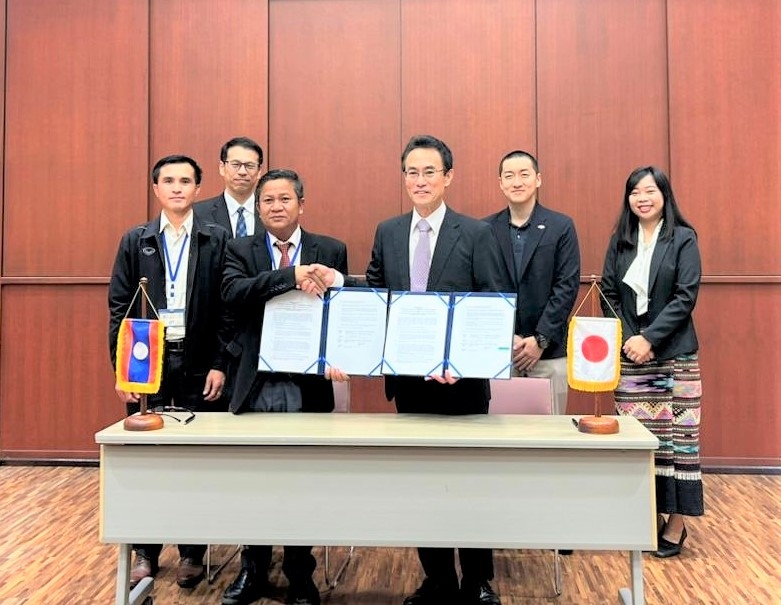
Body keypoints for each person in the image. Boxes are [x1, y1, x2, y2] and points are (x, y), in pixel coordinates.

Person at [363, 135, 511, 605]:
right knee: (423, 484)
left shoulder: (476, 233)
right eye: (412, 172)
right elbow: (378, 300)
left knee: (470, 484)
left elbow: (493, 304)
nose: (420, 181)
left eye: (430, 172)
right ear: (403, 177)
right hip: (409, 384)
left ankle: (477, 580)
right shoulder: (388, 232)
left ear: (448, 177)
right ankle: (439, 579)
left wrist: (463, 364)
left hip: (462, 386)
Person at [220, 168, 348, 605]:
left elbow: (342, 311)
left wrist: (339, 356)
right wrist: (291, 275)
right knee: (253, 481)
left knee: (301, 481)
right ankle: (252, 569)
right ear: (258, 208)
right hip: (254, 383)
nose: (276, 207)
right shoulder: (239, 249)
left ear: (301, 205)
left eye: (285, 199)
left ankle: (299, 572)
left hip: (306, 385)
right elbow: (233, 293)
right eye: (268, 200)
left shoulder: (330, 249)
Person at [108, 155, 234, 589]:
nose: (177, 187)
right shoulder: (136, 240)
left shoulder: (217, 239)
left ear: (198, 188)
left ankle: (192, 552)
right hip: (148, 362)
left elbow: (227, 309)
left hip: (199, 361)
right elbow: (119, 307)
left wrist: (220, 363)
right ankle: (145, 552)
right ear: (156, 189)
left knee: (196, 460)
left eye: (185, 180)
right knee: (147, 458)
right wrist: (122, 369)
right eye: (168, 180)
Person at [601, 165, 704, 559]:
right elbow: (608, 293)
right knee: (639, 441)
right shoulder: (620, 240)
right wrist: (632, 339)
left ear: (664, 195)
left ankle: (676, 523)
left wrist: (650, 339)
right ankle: (646, 517)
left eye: (649, 191)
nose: (642, 198)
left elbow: (685, 296)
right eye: (634, 192)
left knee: (679, 442)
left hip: (675, 356)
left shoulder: (684, 238)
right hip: (631, 356)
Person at [484, 150, 580, 416]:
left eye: (524, 174)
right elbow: (483, 287)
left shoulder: (561, 226)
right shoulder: (484, 229)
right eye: (509, 176)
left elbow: (566, 286)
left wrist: (540, 339)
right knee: (499, 432)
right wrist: (507, 337)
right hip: (501, 351)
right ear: (500, 183)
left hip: (549, 354)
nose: (517, 182)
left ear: (538, 179)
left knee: (549, 434)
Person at [194, 136, 264, 238]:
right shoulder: (198, 213)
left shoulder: (270, 211)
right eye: (235, 164)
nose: (242, 172)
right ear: (222, 167)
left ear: (259, 171)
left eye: (249, 166)